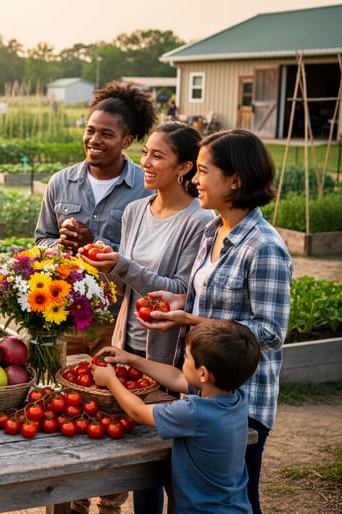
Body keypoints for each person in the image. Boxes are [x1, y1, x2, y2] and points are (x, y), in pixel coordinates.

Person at [139, 129, 293, 514]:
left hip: (243, 398)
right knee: (191, 493)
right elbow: (212, 297)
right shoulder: (214, 229)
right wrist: (179, 301)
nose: (195, 180)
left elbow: (271, 333)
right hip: (202, 388)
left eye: (204, 171)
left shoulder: (265, 247)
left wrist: (193, 318)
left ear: (235, 180)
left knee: (235, 498)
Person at [34, 81, 157, 514]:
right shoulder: (61, 183)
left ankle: (109, 501)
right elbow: (40, 242)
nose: (94, 140)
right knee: (64, 406)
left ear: (127, 140)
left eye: (106, 134)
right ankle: (69, 502)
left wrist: (97, 242)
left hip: (116, 317)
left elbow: (144, 254)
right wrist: (59, 248)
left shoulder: (145, 189)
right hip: (66, 319)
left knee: (111, 410)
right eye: (90, 130)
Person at [84, 121, 214, 513]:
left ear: (185, 168)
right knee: (140, 461)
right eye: (145, 153)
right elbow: (127, 281)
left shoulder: (199, 221)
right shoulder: (136, 209)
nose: (145, 162)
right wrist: (98, 268)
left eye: (158, 156)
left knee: (169, 461)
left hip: (169, 354)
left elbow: (180, 290)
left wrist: (122, 264)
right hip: (130, 344)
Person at [90, 320, 261, 513]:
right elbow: (177, 378)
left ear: (203, 374)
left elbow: (138, 411)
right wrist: (129, 358)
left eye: (187, 357)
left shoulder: (193, 412)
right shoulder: (236, 398)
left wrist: (111, 380)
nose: (183, 362)